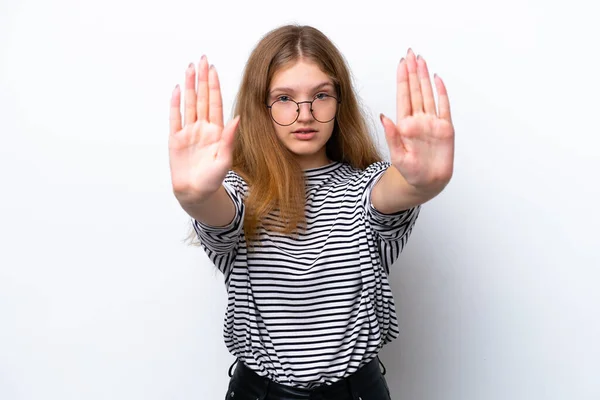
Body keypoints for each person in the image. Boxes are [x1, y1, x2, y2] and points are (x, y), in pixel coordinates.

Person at [168, 24, 454, 400]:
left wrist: (423, 184)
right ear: (262, 107)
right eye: (284, 98)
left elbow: (393, 193)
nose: (305, 114)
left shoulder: (366, 187)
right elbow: (216, 211)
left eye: (321, 95)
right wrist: (194, 195)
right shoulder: (239, 191)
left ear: (339, 102)